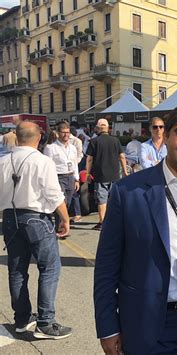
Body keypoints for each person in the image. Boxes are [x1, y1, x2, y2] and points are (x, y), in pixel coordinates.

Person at [94, 105, 177, 354]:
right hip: (144, 322)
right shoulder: (127, 191)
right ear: (166, 136)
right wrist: (107, 327)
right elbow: (106, 266)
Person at [0, 121, 72, 339]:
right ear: (39, 138)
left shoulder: (3, 161)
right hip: (36, 218)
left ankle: (22, 319)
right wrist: (65, 219)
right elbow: (53, 195)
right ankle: (46, 322)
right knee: (49, 268)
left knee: (17, 269)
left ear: (17, 137)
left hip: (10, 218)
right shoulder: (42, 161)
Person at [85, 119, 128, 231]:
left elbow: (89, 159)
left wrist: (88, 173)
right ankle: (117, 221)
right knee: (114, 199)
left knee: (102, 199)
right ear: (108, 128)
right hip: (115, 175)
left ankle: (103, 222)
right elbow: (122, 156)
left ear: (98, 128)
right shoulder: (115, 140)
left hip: (101, 176)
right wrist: (125, 171)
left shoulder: (94, 141)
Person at [43, 122, 80, 236]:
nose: (66, 135)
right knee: (61, 202)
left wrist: (76, 179)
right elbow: (47, 165)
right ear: (58, 133)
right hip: (58, 177)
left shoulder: (72, 148)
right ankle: (60, 227)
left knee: (68, 202)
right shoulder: (51, 148)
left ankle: (62, 223)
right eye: (63, 133)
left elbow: (74, 164)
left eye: (67, 133)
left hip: (70, 176)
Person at [69, 126, 84, 223]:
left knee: (74, 192)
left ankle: (77, 213)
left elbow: (80, 155)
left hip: (73, 168)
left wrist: (74, 163)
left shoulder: (77, 141)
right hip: (64, 169)